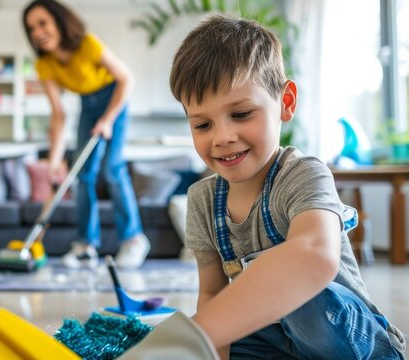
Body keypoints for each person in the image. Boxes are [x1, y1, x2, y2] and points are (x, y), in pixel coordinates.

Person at [169, 14, 405, 359]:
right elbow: (213, 296)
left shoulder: (304, 174)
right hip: (272, 340)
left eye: (241, 114)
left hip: (347, 338)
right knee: (202, 340)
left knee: (299, 289)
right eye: (203, 124)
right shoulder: (202, 200)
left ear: (286, 102)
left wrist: (202, 330)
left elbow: (314, 255)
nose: (222, 138)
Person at [22, 0, 149, 270]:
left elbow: (127, 79)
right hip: (87, 106)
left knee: (112, 169)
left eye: (42, 23)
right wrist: (54, 161)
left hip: (114, 99)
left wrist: (107, 119)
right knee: (83, 175)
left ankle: (134, 240)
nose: (37, 32)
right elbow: (58, 115)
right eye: (31, 28)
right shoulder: (45, 64)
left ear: (58, 22)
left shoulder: (87, 44)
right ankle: (85, 245)